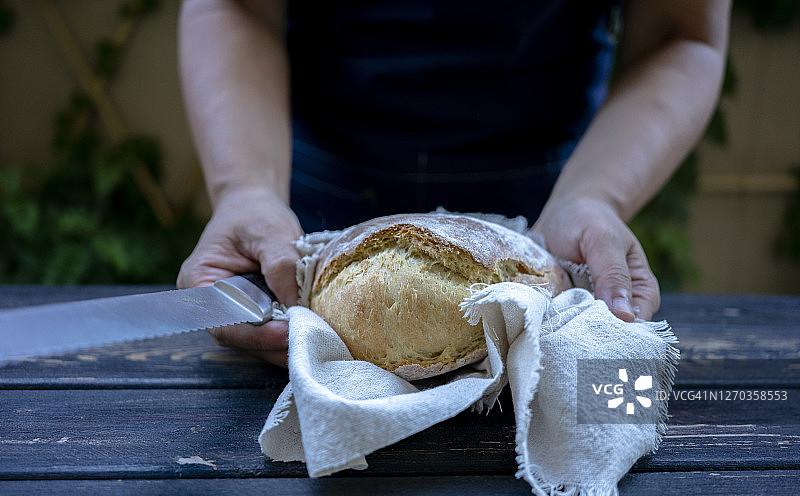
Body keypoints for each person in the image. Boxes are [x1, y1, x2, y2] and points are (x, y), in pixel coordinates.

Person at [176, 0, 731, 367]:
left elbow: (679, 32)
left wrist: (595, 196)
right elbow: (236, 4)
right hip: (313, 213)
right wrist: (246, 190)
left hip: (551, 205)